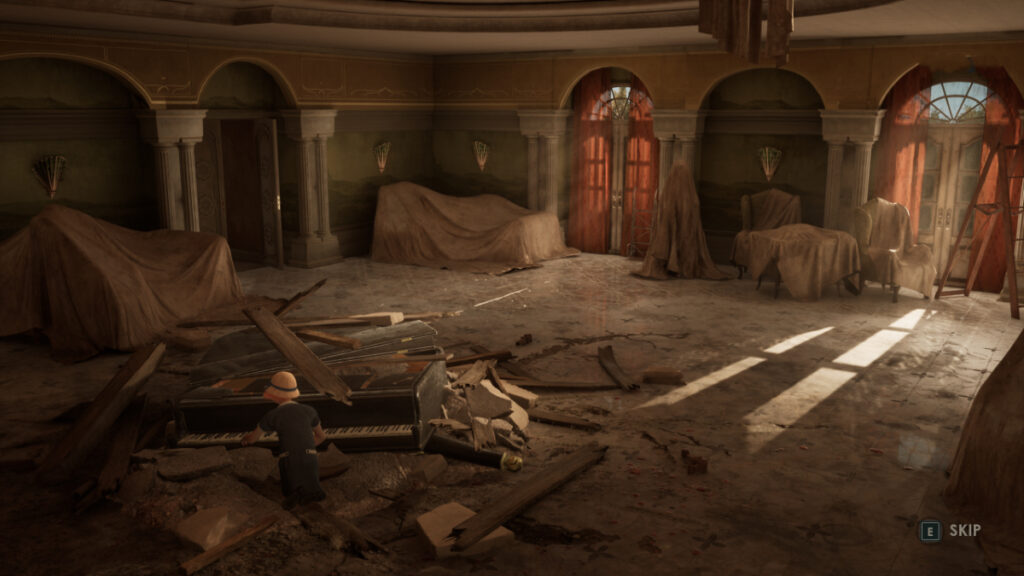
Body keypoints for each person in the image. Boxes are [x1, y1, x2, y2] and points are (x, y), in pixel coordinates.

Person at [241, 371, 328, 508]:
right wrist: (306, 447)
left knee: (289, 493)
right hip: (311, 458)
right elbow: (322, 436)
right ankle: (310, 493)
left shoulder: (273, 415)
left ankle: (296, 496)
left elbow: (253, 439)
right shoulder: (309, 410)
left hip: (289, 460)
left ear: (274, 393)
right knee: (312, 491)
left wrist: (246, 439)